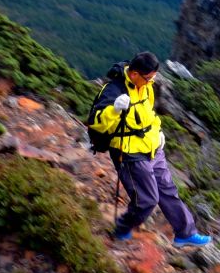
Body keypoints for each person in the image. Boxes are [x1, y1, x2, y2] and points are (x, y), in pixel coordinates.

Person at [88, 51, 211, 246]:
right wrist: (114, 109)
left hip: (152, 147)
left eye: (153, 77)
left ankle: (185, 233)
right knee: (147, 199)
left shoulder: (146, 86)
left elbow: (149, 114)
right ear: (134, 74)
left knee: (168, 191)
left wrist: (158, 132)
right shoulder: (113, 91)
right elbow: (96, 123)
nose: (150, 82)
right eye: (148, 78)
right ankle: (122, 227)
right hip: (128, 152)